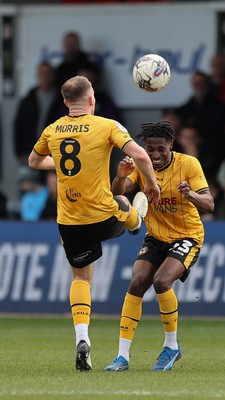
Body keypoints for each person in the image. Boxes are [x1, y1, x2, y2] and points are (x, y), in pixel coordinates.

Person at [28, 75, 160, 372]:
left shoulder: (53, 129)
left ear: (65, 102)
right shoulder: (106, 125)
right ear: (92, 100)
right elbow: (139, 153)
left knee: (81, 280)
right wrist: (150, 183)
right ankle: (135, 221)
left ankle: (82, 338)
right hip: (102, 216)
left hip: (69, 221)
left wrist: (60, 163)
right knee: (125, 202)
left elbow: (34, 162)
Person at [104, 121, 214, 372]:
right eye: (150, 148)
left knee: (162, 281)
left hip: (187, 236)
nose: (154, 155)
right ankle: (122, 357)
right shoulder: (139, 164)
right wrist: (121, 176)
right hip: (155, 236)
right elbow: (118, 194)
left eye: (160, 149)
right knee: (137, 282)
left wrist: (190, 195)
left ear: (171, 145)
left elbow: (209, 204)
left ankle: (171, 347)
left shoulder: (189, 164)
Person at [14, 62, 66, 167]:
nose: (45, 77)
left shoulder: (61, 100)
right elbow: (18, 126)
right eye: (42, 74)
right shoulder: (28, 100)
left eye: (48, 74)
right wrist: (19, 151)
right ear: (37, 76)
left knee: (51, 183)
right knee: (28, 183)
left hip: (53, 153)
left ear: (53, 76)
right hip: (29, 152)